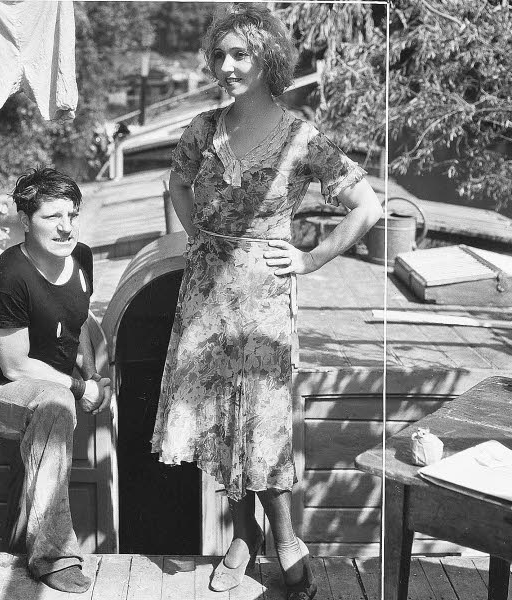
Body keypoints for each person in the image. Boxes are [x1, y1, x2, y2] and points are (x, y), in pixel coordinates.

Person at [150, 6, 382, 599]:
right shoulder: (203, 128)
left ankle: (284, 538)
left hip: (264, 297)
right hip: (206, 292)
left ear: (268, 61)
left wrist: (310, 258)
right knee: (221, 422)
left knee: (265, 420)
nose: (225, 66)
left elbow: (368, 208)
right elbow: (176, 184)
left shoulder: (301, 137)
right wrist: (193, 235)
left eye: (240, 56)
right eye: (219, 55)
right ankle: (243, 533)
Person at [0, 167, 111, 594]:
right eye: (52, 217)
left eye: (72, 214)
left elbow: (77, 325)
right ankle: (53, 556)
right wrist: (80, 389)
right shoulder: (7, 278)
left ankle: (31, 540)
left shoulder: (80, 257)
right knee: (54, 403)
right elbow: (16, 367)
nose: (66, 227)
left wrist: (93, 373)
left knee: (54, 401)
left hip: (54, 383)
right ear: (25, 221)